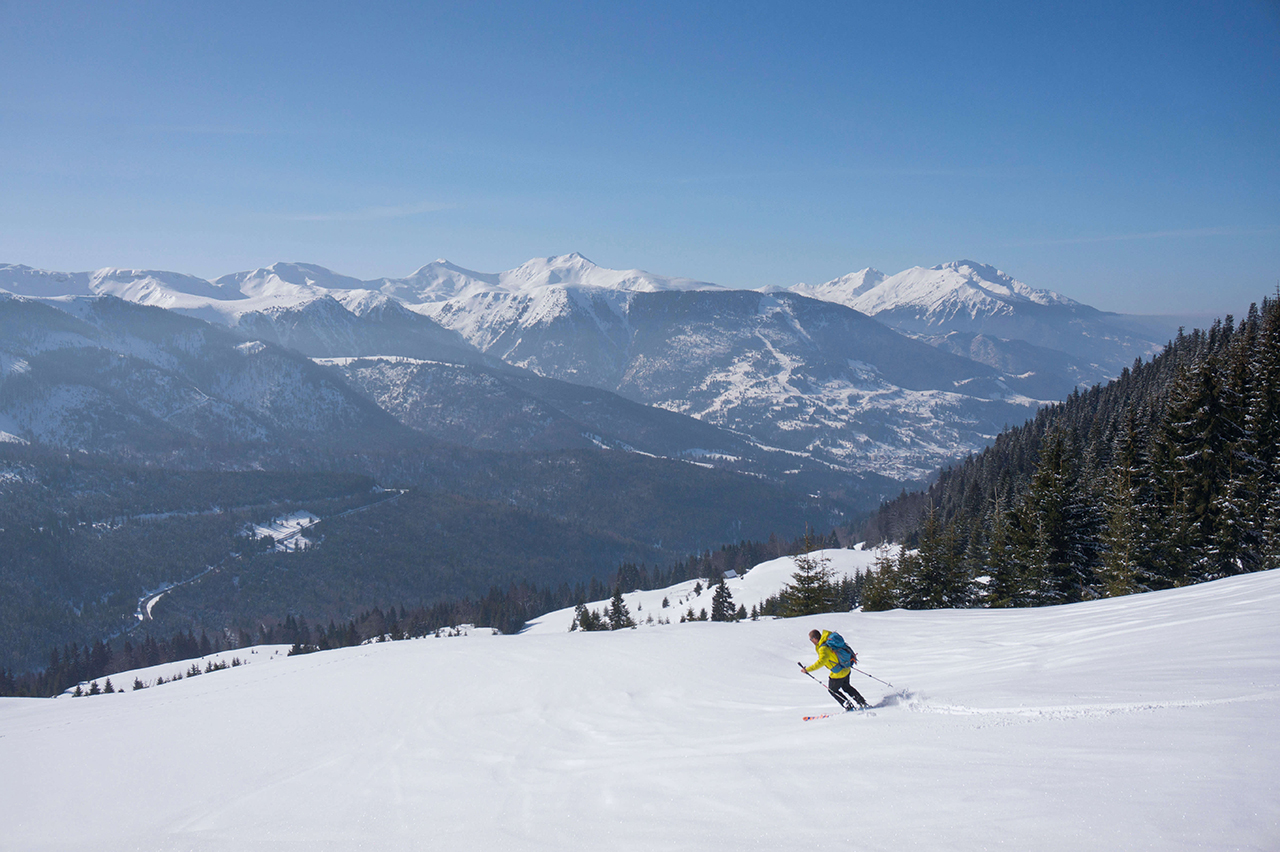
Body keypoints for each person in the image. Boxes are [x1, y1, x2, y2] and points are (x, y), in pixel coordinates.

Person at [800, 628, 868, 709]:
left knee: (832, 690)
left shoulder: (823, 648)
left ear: (814, 639)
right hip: (846, 668)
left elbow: (821, 662)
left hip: (838, 672)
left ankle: (848, 706)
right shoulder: (827, 641)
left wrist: (807, 669)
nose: (811, 641)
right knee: (847, 687)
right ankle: (862, 702)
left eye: (810, 639)